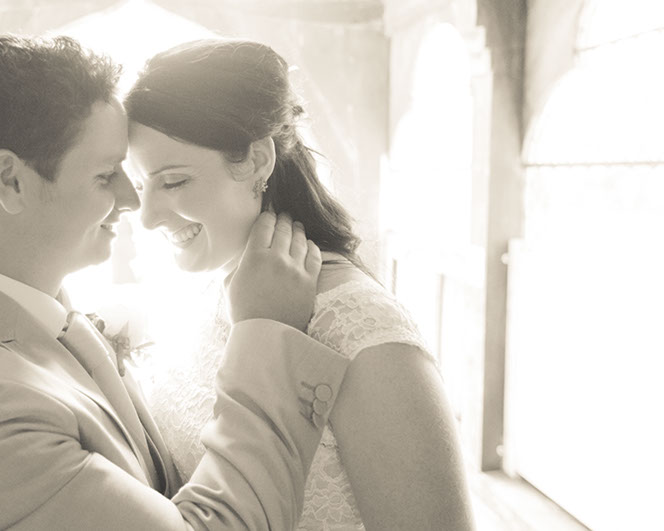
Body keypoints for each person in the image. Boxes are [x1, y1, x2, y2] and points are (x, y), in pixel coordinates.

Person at [0, 34, 349, 531]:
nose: (133, 202)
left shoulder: (32, 317)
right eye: (106, 174)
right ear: (10, 181)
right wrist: (264, 333)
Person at [125, 38, 475, 531]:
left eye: (174, 182)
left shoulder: (358, 327)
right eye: (140, 186)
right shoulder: (220, 288)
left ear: (255, 161)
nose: (147, 217)